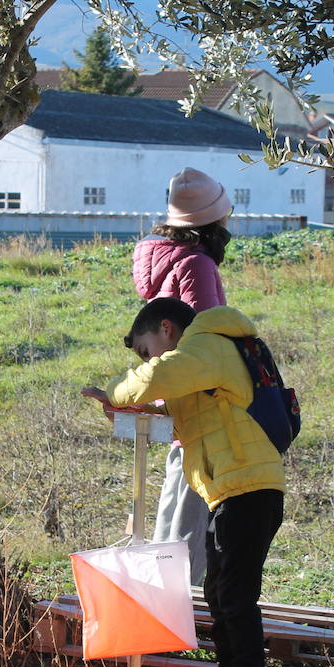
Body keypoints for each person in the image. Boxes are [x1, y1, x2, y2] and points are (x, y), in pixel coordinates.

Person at [82, 297, 285, 667]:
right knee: (218, 590)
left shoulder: (207, 345)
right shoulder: (200, 365)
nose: (148, 359)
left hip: (248, 486)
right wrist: (129, 410)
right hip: (228, 489)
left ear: (167, 330)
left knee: (235, 593)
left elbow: (157, 376)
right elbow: (172, 411)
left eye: (145, 349)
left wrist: (118, 392)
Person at [132, 168, 233, 586]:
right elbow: (204, 335)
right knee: (194, 501)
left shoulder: (165, 260)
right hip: (198, 395)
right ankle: (181, 603)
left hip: (171, 386)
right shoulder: (196, 264)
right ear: (213, 219)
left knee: (178, 490)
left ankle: (162, 592)